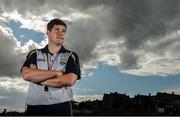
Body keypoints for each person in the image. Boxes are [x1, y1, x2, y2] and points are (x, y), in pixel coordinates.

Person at [21, 18, 81, 116]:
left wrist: (37, 79)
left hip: (60, 107)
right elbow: (27, 74)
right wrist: (57, 73)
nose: (60, 33)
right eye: (57, 30)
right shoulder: (35, 54)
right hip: (34, 107)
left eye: (63, 31)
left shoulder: (70, 55)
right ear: (48, 33)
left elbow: (69, 80)